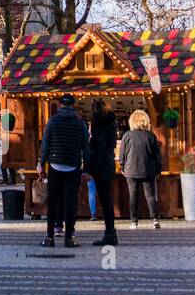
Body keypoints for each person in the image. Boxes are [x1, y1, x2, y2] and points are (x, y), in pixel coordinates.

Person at [38, 93, 89, 248]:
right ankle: (69, 238)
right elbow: (85, 148)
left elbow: (45, 146)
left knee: (53, 203)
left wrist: (41, 164)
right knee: (70, 203)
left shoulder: (52, 122)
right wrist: (86, 169)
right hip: (73, 166)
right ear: (73, 105)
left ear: (60, 105)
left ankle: (49, 237)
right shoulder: (80, 124)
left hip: (55, 166)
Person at [119, 109, 162, 230]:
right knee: (150, 195)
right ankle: (155, 219)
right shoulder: (151, 136)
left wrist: (122, 167)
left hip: (131, 170)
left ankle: (134, 221)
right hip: (148, 170)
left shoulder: (127, 135)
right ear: (146, 121)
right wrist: (158, 170)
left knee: (133, 196)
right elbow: (157, 156)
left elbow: (122, 154)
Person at [87, 99, 118, 246]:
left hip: (102, 167)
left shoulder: (100, 125)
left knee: (105, 200)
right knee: (107, 201)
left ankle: (109, 233)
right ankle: (111, 232)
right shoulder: (112, 124)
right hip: (109, 164)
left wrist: (90, 169)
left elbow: (98, 150)